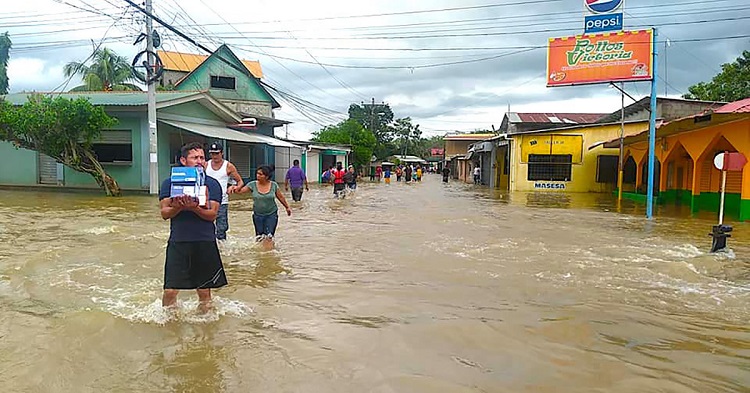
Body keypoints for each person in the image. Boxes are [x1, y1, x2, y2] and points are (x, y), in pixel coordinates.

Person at [159, 142, 227, 313]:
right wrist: (179, 206)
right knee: (170, 290)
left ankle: (205, 328)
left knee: (204, 290)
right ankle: (169, 323)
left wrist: (194, 207)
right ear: (183, 160)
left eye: (202, 158)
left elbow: (212, 215)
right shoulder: (169, 183)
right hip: (178, 240)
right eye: (194, 157)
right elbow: (165, 213)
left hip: (204, 240)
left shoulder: (212, 184)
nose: (199, 161)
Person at [231, 165, 291, 249]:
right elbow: (241, 192)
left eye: (260, 174)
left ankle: (269, 254)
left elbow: (280, 197)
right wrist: (235, 187)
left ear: (267, 176)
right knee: (259, 237)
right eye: (257, 173)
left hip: (271, 214)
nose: (258, 175)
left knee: (269, 236)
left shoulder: (273, 185)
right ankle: (260, 255)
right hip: (258, 215)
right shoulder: (252, 184)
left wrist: (287, 207)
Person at [204, 141, 244, 241]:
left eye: (216, 153)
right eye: (212, 153)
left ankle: (222, 250)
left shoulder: (228, 166)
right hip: (207, 200)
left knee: (221, 228)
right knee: (206, 226)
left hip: (222, 201)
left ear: (222, 153)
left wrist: (234, 187)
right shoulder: (205, 165)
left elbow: (240, 182)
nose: (214, 156)